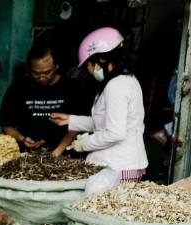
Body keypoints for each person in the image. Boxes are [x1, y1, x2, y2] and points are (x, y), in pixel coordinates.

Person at [50, 27, 148, 182]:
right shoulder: (124, 81)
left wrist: (84, 143)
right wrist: (71, 120)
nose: (88, 71)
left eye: (88, 65)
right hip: (121, 165)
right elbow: (104, 122)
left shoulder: (116, 86)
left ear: (101, 60)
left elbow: (115, 133)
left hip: (118, 167)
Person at [0, 36, 88, 155]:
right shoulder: (18, 88)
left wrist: (58, 151)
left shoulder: (73, 88)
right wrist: (22, 139)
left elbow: (78, 125)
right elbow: (7, 125)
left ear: (57, 65)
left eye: (46, 72)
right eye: (36, 73)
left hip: (65, 156)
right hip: (26, 156)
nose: (41, 77)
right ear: (30, 69)